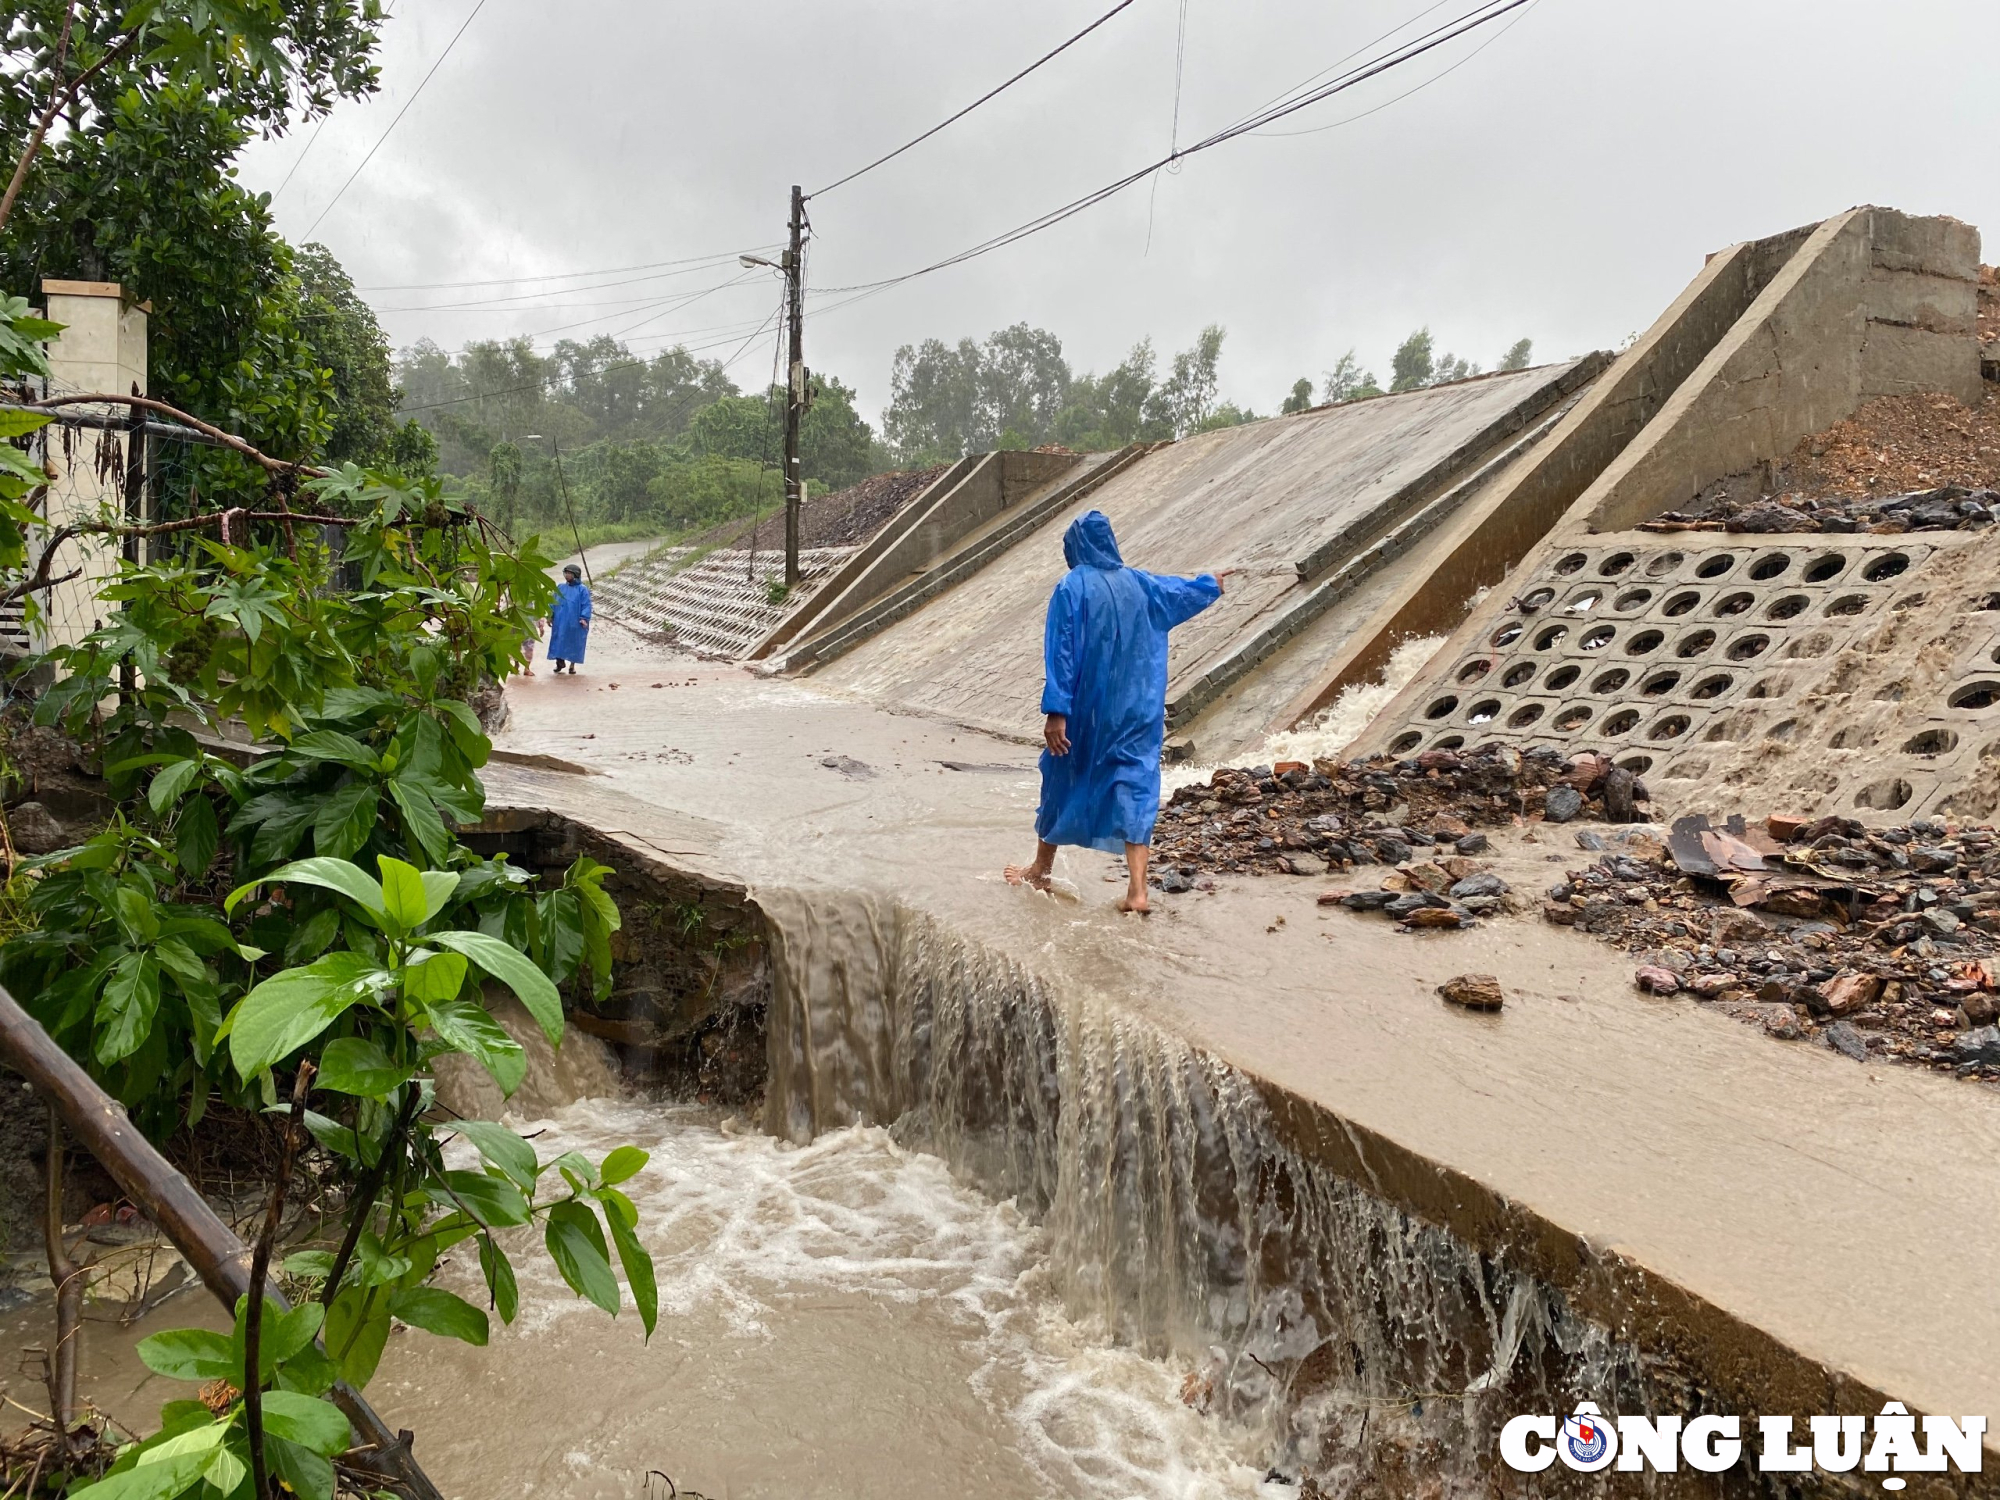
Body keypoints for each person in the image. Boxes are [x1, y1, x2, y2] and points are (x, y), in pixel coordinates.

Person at [1005, 510, 1225, 913]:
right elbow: (1183, 592)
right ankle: (1137, 892)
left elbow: (1062, 650)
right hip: (1139, 709)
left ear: (1076, 546)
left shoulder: (1071, 587)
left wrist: (1056, 710)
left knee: (1061, 775)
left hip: (1088, 709)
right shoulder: (1143, 585)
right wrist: (1212, 583)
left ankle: (1041, 868)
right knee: (1136, 784)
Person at [548, 563, 592, 674]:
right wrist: (550, 615)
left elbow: (586, 604)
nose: (567, 575)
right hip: (560, 620)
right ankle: (559, 662)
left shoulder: (582, 590)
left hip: (575, 622)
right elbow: (553, 602)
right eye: (566, 573)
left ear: (575, 575)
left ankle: (572, 665)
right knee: (559, 640)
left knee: (574, 642)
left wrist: (584, 617)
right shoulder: (560, 587)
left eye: (569, 573)